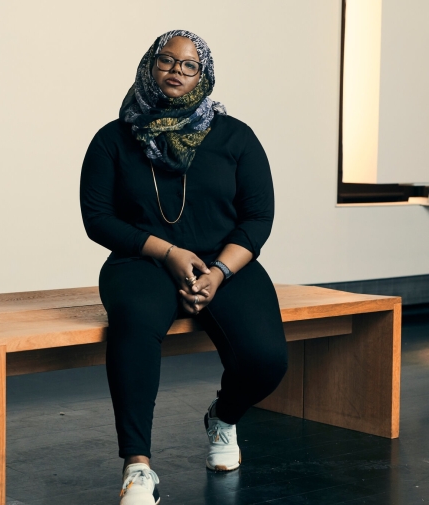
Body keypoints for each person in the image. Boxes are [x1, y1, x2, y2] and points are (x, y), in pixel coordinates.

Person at [79, 30, 289, 504]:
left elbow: (258, 217)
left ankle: (223, 418)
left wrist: (218, 273)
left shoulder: (236, 136)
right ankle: (138, 467)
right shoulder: (114, 139)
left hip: (224, 261)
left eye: (189, 64)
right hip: (143, 259)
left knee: (266, 359)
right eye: (166, 60)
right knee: (134, 323)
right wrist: (168, 252)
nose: (176, 70)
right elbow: (98, 218)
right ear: (150, 66)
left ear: (204, 75)